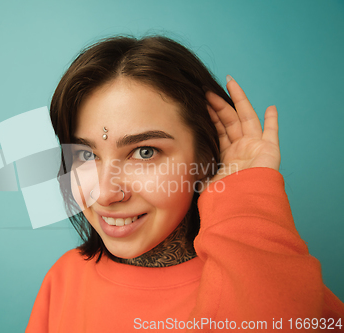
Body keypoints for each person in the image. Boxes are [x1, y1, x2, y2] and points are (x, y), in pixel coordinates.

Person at [26, 35, 344, 332]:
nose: (106, 194)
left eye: (144, 152)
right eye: (85, 153)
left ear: (203, 158)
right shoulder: (63, 280)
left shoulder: (284, 289)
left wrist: (246, 191)